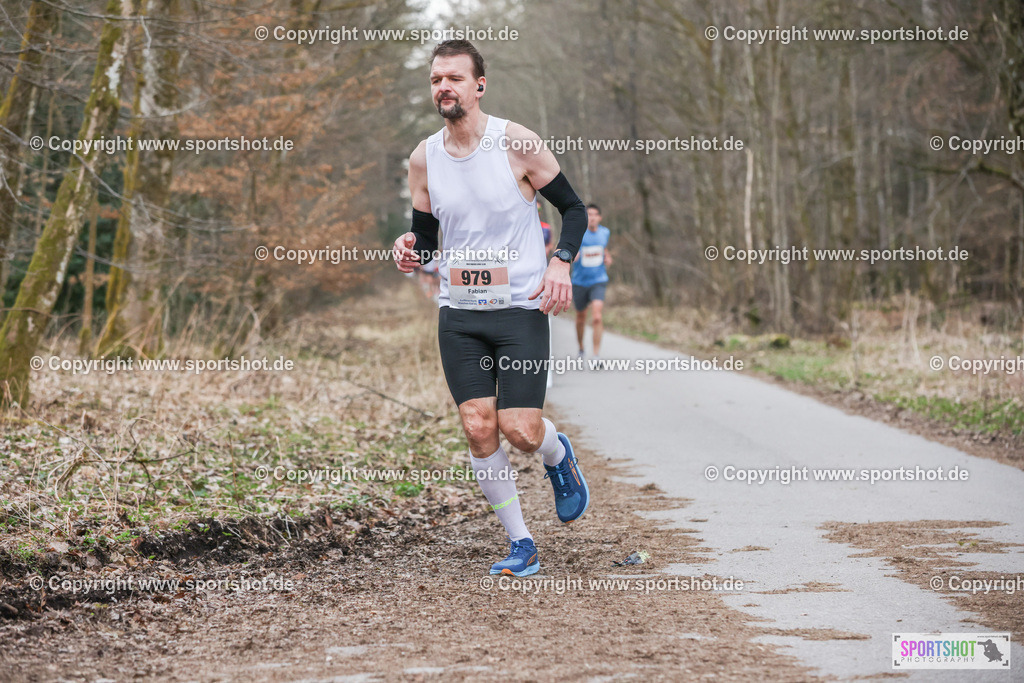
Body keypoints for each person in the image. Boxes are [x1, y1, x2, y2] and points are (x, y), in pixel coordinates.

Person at [393, 40, 590, 577]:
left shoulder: (516, 143)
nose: (444, 88)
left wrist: (561, 262)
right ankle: (521, 543)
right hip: (459, 312)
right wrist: (411, 250)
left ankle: (557, 454)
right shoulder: (423, 158)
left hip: (520, 309)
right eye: (436, 80)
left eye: (454, 78)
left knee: (520, 430)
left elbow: (573, 209)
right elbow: (428, 241)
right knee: (478, 426)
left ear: (479, 85)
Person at [572, 204, 612, 363]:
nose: (592, 217)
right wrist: (572, 256)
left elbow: (604, 248)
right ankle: (581, 347)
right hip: (580, 281)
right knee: (581, 317)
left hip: (598, 280)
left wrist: (607, 257)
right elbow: (568, 250)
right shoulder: (578, 233)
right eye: (589, 214)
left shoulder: (605, 232)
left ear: (600, 217)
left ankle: (596, 356)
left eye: (595, 214)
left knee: (596, 316)